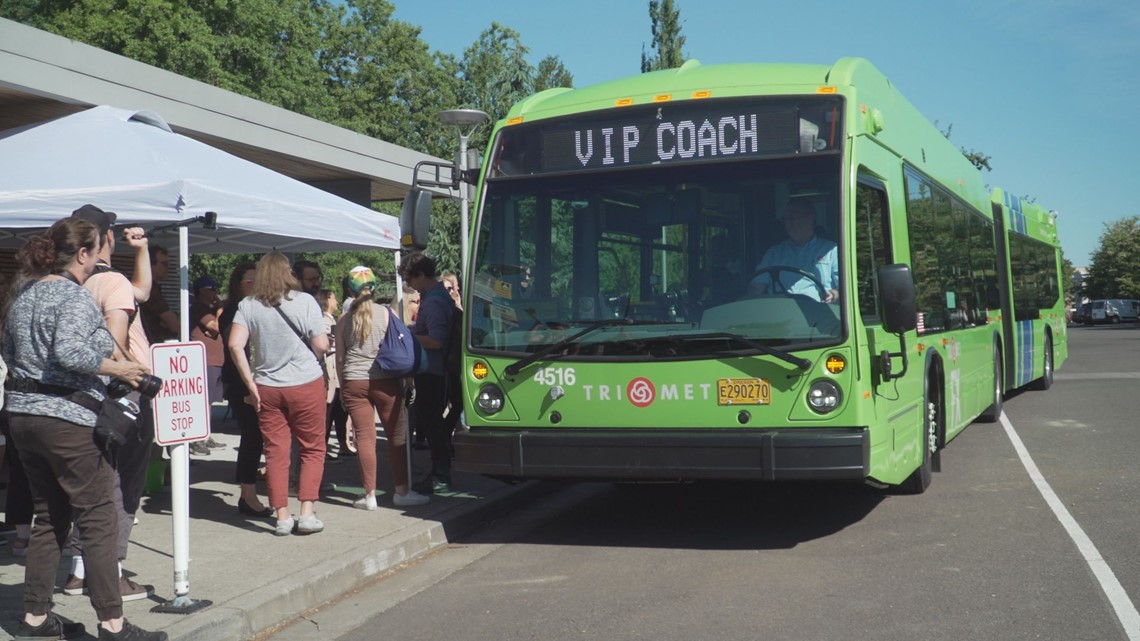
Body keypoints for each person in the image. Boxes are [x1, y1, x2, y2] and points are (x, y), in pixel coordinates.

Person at [2, 217, 165, 640]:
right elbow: (72, 352)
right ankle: (112, 624)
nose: (99, 258)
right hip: (64, 418)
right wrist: (123, 369)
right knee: (98, 518)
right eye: (98, 250)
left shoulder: (24, 292)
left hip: (23, 417)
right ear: (82, 254)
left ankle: (35, 618)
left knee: (49, 517)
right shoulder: (72, 296)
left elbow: (11, 349)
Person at [65, 204, 156, 602]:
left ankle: (78, 571)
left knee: (90, 483)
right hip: (122, 391)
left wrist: (141, 252)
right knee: (122, 484)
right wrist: (127, 375)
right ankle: (113, 572)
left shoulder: (70, 281)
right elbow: (116, 343)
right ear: (105, 237)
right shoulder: (112, 282)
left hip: (81, 392)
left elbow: (143, 292)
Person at [228, 252, 329, 536]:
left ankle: (282, 516)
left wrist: (250, 383)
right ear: (288, 273)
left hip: (267, 387)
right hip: (305, 383)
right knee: (312, 448)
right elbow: (320, 344)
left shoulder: (248, 304)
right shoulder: (305, 301)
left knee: (275, 452)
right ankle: (307, 512)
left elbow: (235, 345)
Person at [335, 266, 431, 509]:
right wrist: (409, 380)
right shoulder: (387, 314)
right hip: (385, 380)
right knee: (396, 436)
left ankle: (369, 496)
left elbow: (339, 359)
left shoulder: (343, 320)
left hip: (353, 381)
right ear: (375, 287)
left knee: (364, 438)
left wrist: (344, 387)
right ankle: (401, 491)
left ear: (349, 289)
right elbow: (402, 348)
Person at [399, 253, 457, 494]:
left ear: (421, 275)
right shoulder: (437, 296)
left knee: (433, 425)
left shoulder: (433, 301)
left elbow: (436, 340)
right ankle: (439, 474)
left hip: (432, 370)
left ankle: (440, 477)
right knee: (433, 425)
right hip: (436, 369)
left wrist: (407, 335)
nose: (408, 285)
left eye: (409, 279)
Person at [219, 262, 272, 517]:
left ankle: (250, 493)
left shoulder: (256, 308)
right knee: (252, 436)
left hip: (255, 380)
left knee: (257, 436)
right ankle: (248, 496)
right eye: (249, 281)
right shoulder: (233, 311)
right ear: (238, 285)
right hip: (240, 382)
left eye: (257, 281)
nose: (254, 286)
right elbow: (235, 347)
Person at [748, 198, 839, 302]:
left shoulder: (831, 251)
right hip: (778, 312)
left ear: (811, 217)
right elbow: (756, 289)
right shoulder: (774, 253)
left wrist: (833, 294)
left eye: (792, 217)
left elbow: (844, 289)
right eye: (785, 219)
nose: (788, 223)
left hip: (819, 313)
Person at [319, 288, 350, 461]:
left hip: (336, 373)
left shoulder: (332, 319)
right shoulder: (322, 319)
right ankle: (322, 448)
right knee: (329, 411)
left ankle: (343, 444)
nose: (337, 301)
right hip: (330, 371)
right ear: (326, 299)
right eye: (333, 297)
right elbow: (326, 344)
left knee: (340, 411)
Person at [138, 244, 179, 344]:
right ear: (150, 265)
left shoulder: (152, 288)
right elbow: (175, 325)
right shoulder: (150, 290)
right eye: (164, 264)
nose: (168, 267)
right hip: (149, 345)